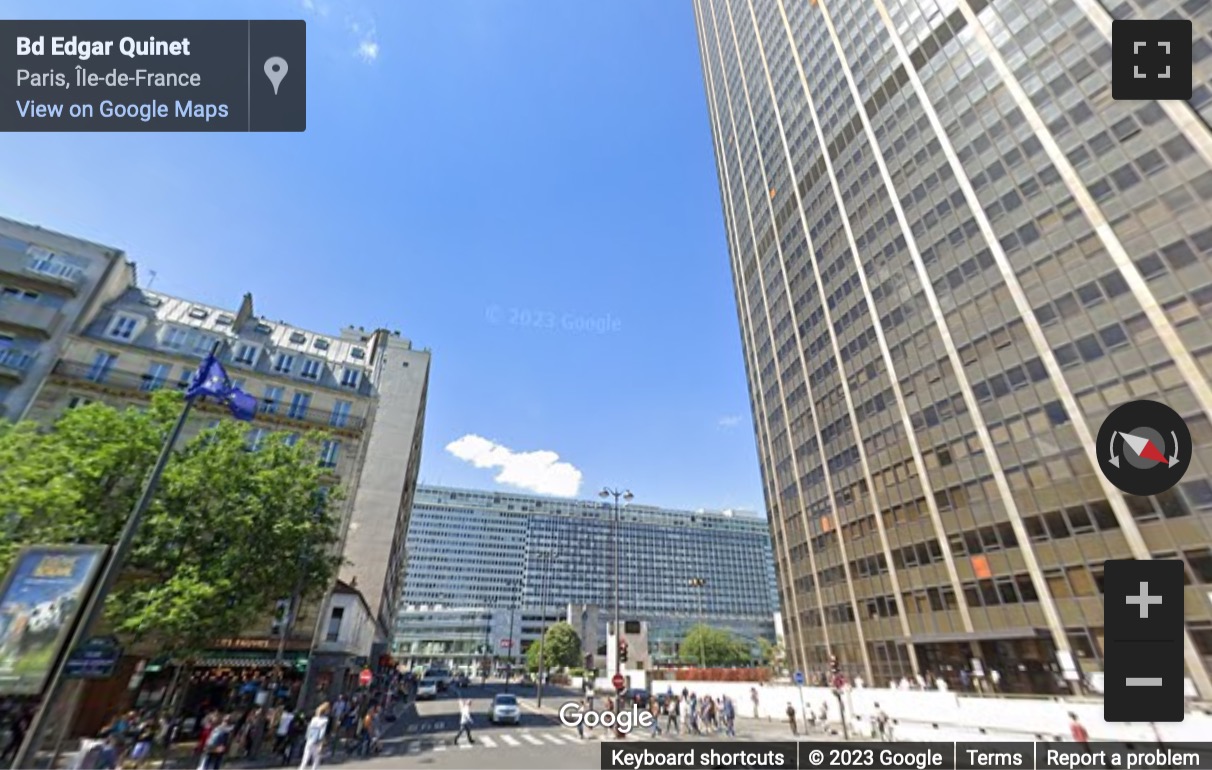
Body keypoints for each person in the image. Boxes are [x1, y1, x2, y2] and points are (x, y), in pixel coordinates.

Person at [299, 703, 330, 770]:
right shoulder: (325, 720)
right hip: (317, 741)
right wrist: (321, 743)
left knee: (305, 758)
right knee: (316, 759)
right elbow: (322, 733)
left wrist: (307, 737)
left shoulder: (314, 719)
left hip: (310, 739)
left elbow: (309, 729)